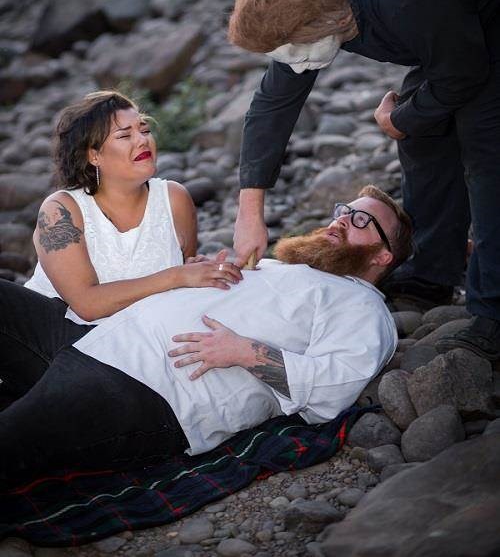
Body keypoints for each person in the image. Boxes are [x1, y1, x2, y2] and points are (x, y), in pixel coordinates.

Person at [228, 0, 500, 361]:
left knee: (485, 150)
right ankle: (431, 274)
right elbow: (272, 104)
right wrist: (249, 209)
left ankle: (493, 317)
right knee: (424, 137)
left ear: (329, 24)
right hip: (451, 14)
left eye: (290, 49)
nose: (290, 62)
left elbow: (465, 72)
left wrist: (402, 118)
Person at [0, 186, 412, 484]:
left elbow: (332, 388)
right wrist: (195, 278)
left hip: (141, 388)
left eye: (362, 221)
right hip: (91, 336)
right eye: (344, 210)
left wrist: (246, 353)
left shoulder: (364, 307)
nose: (342, 219)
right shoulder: (279, 268)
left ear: (382, 256)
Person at [0, 89, 242, 411]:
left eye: (144, 130)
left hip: (132, 353)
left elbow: (181, 283)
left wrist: (205, 274)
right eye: (124, 135)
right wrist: (177, 276)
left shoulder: (175, 199)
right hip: (54, 342)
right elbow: (86, 304)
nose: (142, 141)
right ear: (93, 155)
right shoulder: (61, 209)